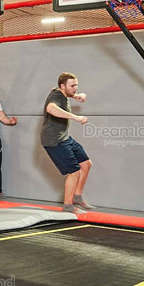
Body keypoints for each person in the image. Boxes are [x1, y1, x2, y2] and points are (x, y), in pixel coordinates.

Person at [41, 72, 94, 213]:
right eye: (73, 85)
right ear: (62, 86)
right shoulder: (55, 96)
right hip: (54, 140)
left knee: (86, 164)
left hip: (64, 137)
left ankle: (76, 197)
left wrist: (76, 96)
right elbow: (50, 108)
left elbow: (57, 91)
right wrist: (76, 118)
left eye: (76, 85)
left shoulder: (60, 92)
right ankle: (68, 206)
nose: (76, 87)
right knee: (74, 171)